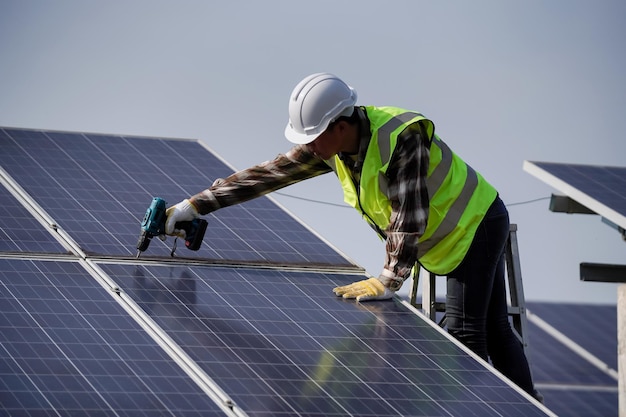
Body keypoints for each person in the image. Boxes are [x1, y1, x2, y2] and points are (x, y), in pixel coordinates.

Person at [164, 72, 541, 401]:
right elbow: (270, 174)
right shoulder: (331, 148)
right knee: (494, 327)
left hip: (474, 221)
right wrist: (196, 205)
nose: (307, 147)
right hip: (454, 227)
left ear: (339, 127)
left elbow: (408, 215)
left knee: (467, 336)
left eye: (312, 138)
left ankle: (504, 407)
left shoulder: (401, 137)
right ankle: (529, 403)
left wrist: (387, 279)